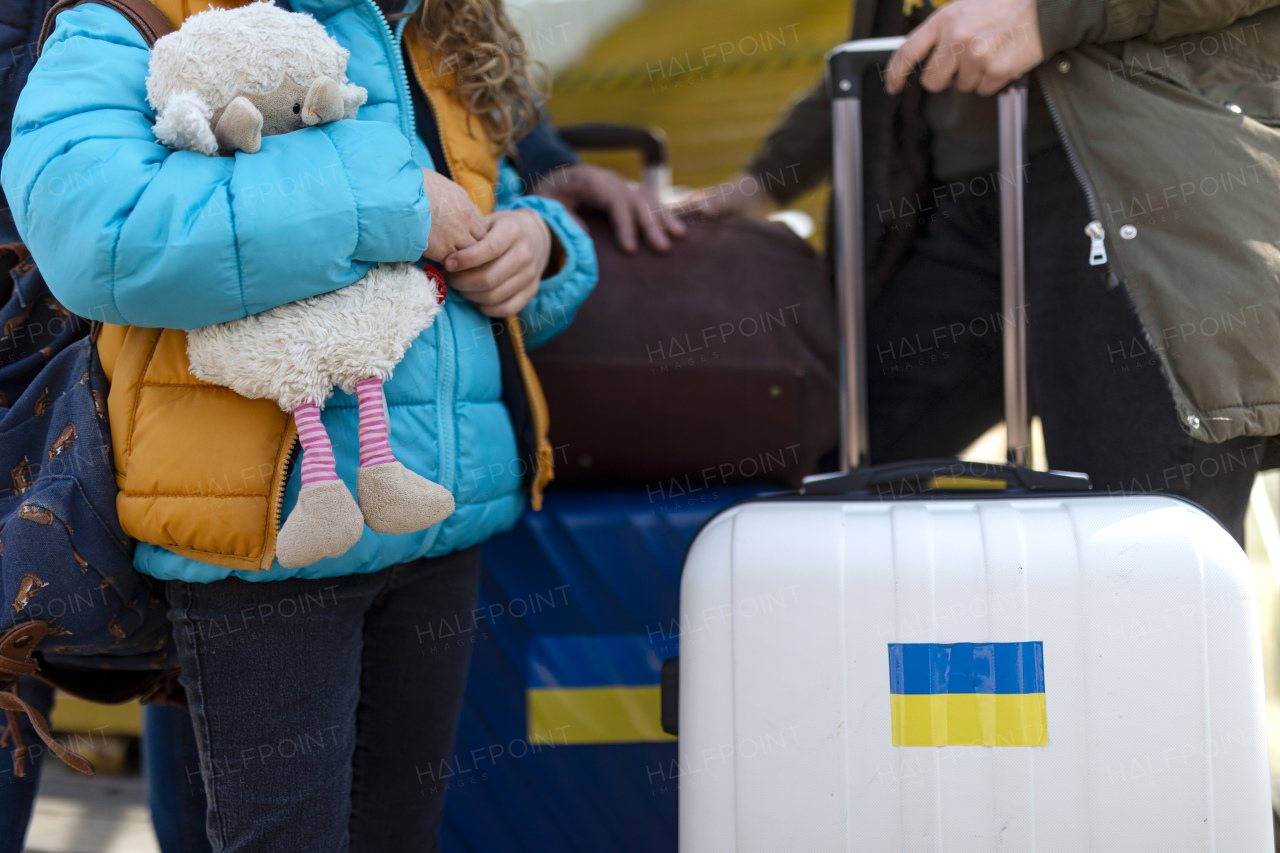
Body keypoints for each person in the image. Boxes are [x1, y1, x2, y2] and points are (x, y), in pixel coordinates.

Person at [3, 0, 598, 851]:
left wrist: (541, 244)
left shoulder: (438, 25)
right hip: (266, 539)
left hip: (441, 520)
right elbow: (101, 235)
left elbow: (485, 202)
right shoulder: (136, 16)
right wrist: (385, 205)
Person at [680, 0, 1280, 544]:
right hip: (956, 208)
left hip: (1135, 191)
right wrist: (764, 178)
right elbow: (902, 37)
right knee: (825, 478)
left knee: (1133, 546)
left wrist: (1050, 14)